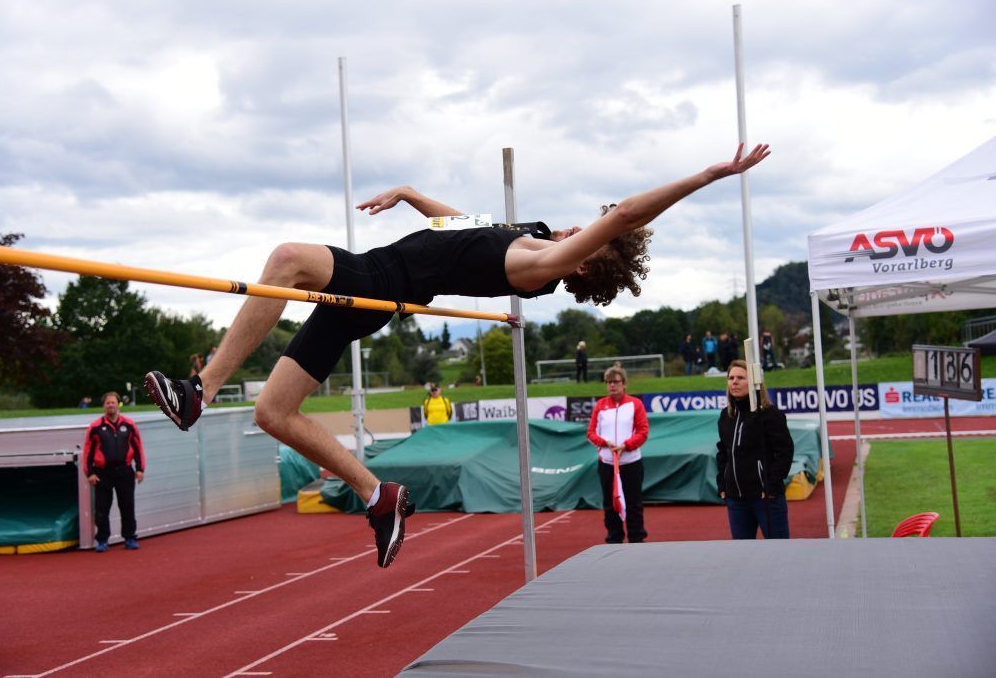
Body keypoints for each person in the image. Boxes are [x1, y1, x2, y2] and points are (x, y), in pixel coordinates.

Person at [143, 143, 770, 568]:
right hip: (374, 284)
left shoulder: (543, 266)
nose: (584, 225)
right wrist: (412, 194)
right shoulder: (532, 235)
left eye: (592, 233)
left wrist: (706, 177)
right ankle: (377, 495)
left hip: (379, 279)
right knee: (274, 413)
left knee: (286, 259)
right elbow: (465, 225)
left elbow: (629, 213)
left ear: (584, 262)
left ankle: (200, 390)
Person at [715, 360, 794, 539]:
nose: (734, 382)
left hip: (766, 498)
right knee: (742, 551)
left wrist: (771, 484)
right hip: (736, 499)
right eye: (731, 378)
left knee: (779, 550)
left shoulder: (769, 414)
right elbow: (723, 452)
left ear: (754, 382)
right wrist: (722, 482)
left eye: (741, 378)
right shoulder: (726, 416)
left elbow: (785, 452)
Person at [587, 365, 649, 543]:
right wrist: (605, 443)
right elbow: (591, 433)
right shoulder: (600, 406)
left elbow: (643, 431)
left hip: (631, 462)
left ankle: (636, 539)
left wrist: (626, 446)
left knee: (634, 503)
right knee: (610, 503)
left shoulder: (635, 404)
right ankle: (614, 538)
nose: (612, 385)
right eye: (608, 382)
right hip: (607, 464)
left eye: (615, 381)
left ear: (624, 383)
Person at [83, 391, 145, 551]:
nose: (110, 405)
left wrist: (140, 469)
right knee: (102, 508)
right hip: (102, 473)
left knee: (127, 506)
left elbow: (138, 448)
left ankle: (130, 538)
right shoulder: (95, 427)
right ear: (103, 406)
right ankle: (102, 540)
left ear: (118, 405)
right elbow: (88, 451)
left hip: (125, 471)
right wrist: (90, 473)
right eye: (108, 403)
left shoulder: (129, 424)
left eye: (113, 402)